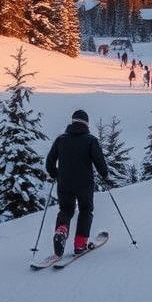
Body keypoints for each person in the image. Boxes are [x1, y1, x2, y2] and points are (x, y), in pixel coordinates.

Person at [45, 108, 109, 257]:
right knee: (85, 210)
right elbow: (99, 161)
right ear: (86, 123)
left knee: (66, 210)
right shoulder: (91, 140)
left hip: (64, 183)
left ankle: (61, 230)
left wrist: (56, 174)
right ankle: (80, 244)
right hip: (84, 183)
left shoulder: (61, 140)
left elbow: (49, 162)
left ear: (72, 122)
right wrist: (105, 175)